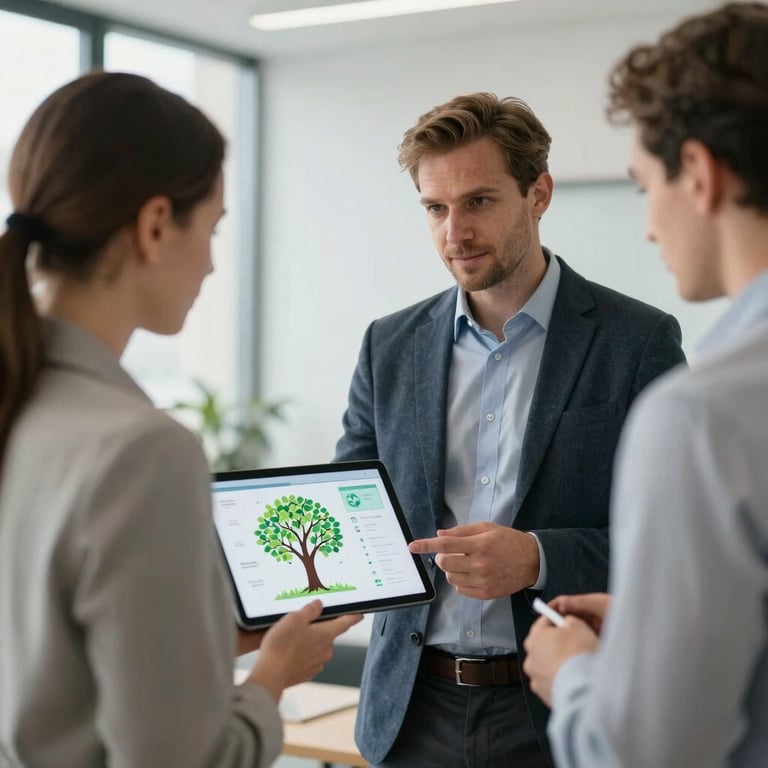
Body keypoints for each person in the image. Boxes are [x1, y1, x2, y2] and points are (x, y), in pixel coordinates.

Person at [0, 71, 361, 768]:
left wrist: (188, 652)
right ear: (156, 224)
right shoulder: (140, 451)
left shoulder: (25, 406)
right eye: (214, 227)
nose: (213, 265)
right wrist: (271, 678)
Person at [333, 91, 686, 767]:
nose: (453, 231)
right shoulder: (390, 346)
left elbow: (671, 541)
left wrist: (537, 557)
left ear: (539, 193)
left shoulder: (636, 342)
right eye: (435, 208)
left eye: (480, 201)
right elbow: (356, 508)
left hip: (556, 709)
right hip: (410, 712)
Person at [522, 3, 768, 766]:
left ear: (698, 172)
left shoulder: (704, 417)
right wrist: (655, 624)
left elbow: (646, 753)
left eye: (642, 187)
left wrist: (576, 676)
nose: (649, 226)